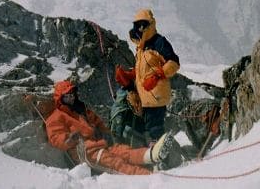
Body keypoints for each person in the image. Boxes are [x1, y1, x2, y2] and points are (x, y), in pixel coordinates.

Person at [45, 80, 176, 175]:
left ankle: (151, 155)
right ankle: (147, 176)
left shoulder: (82, 110)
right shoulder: (56, 117)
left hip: (100, 143)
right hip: (85, 151)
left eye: (72, 95)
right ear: (60, 99)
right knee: (114, 162)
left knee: (124, 151)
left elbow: (98, 122)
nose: (71, 98)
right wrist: (69, 138)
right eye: (67, 96)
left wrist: (105, 132)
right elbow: (55, 138)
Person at [129, 9, 180, 142]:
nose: (140, 28)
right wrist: (129, 78)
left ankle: (162, 159)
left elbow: (174, 62)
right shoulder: (141, 48)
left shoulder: (159, 42)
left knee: (154, 129)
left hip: (156, 94)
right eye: (138, 25)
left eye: (143, 24)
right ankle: (152, 155)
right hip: (145, 97)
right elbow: (142, 71)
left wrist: (157, 75)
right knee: (145, 129)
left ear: (150, 24)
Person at [109, 66, 146, 147]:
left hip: (123, 129)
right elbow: (138, 111)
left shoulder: (121, 94)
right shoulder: (131, 93)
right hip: (127, 130)